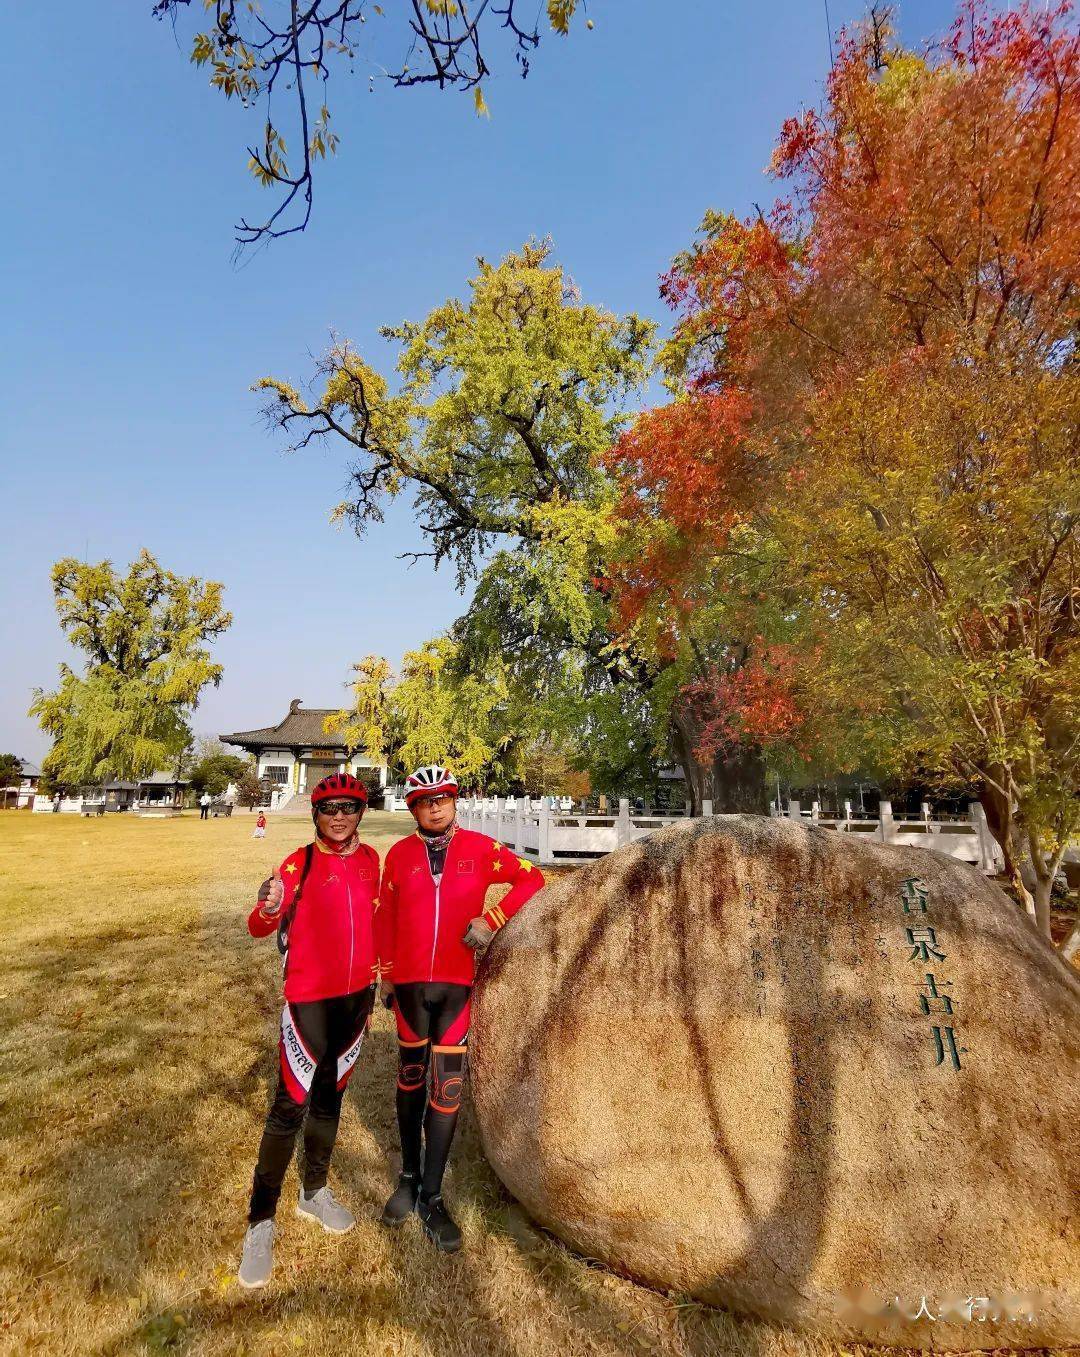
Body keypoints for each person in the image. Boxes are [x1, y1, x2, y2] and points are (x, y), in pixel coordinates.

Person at [376, 764, 544, 1252]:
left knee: (446, 1085)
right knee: (410, 1077)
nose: (434, 806)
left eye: (442, 798)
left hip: (456, 986)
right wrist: (386, 974)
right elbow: (385, 917)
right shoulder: (400, 855)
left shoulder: (481, 849)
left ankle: (432, 1194)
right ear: (413, 808)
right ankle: (407, 1178)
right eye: (425, 801)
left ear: (453, 802)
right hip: (408, 985)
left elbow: (531, 879)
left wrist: (491, 919)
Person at [236, 773, 381, 1290]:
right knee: (288, 1107)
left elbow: (375, 921)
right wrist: (269, 905)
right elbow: (259, 925)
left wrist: (379, 979)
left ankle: (313, 1191)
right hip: (308, 1002)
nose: (338, 816)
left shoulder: (370, 861)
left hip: (355, 1001)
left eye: (348, 807)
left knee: (330, 1100)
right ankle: (261, 1220)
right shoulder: (301, 861)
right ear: (315, 815)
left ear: (360, 812)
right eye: (328, 809)